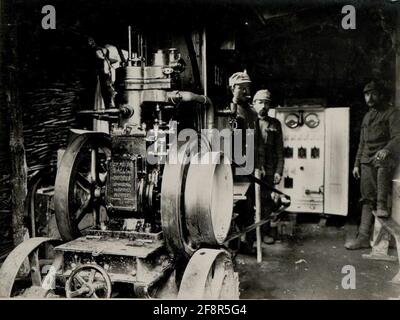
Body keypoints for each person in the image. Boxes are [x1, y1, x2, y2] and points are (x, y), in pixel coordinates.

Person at [345, 81, 400, 250]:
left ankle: (382, 204)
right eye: (367, 94)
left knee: (379, 203)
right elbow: (362, 143)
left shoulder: (392, 113)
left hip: (384, 159)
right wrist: (356, 163)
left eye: (374, 94)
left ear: (381, 95)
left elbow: (398, 137)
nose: (370, 97)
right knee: (367, 199)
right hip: (366, 161)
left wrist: (386, 150)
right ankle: (362, 237)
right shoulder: (367, 116)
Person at [253, 89, 284, 244]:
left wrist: (279, 171)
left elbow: (280, 151)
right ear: (254, 103)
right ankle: (250, 237)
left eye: (266, 103)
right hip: (252, 170)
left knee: (266, 203)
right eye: (260, 102)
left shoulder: (275, 124)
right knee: (249, 203)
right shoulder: (250, 121)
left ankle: (264, 233)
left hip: (269, 171)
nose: (263, 106)